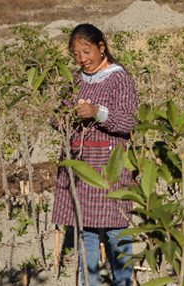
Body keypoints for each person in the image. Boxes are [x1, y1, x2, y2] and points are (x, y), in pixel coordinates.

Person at [52, 24, 138, 286]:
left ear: (102, 47)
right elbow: (57, 116)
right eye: (76, 54)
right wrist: (61, 117)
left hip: (108, 164)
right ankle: (91, 283)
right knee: (85, 230)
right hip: (79, 163)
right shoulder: (76, 78)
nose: (82, 59)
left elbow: (128, 121)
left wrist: (97, 112)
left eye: (86, 52)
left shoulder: (119, 78)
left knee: (116, 228)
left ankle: (123, 282)